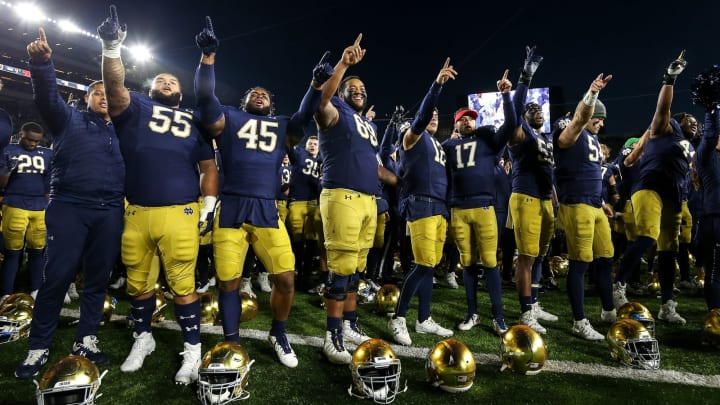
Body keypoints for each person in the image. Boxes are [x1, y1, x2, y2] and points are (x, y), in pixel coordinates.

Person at [193, 16, 328, 368]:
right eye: (254, 93)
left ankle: (278, 332)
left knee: (285, 278)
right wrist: (208, 58)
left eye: (265, 94)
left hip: (267, 208)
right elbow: (205, 100)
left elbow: (303, 115)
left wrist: (315, 84)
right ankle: (232, 342)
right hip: (232, 207)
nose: (260, 94)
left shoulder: (283, 127)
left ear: (271, 104)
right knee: (228, 283)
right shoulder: (228, 119)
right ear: (244, 102)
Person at [97, 6, 219, 385]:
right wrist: (112, 47)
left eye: (172, 81)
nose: (167, 82)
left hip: (180, 210)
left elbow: (209, 167)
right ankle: (143, 337)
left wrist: (210, 203)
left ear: (180, 94)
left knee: (183, 284)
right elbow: (114, 88)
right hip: (136, 211)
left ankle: (193, 349)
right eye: (161, 80)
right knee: (137, 283)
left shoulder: (195, 121)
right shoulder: (135, 107)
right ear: (149, 89)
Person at [15, 27, 125, 380]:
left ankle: (86, 339)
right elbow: (47, 98)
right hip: (70, 205)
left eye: (109, 91)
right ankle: (39, 344)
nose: (105, 96)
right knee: (57, 277)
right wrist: (43, 65)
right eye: (98, 92)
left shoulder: (125, 129)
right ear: (87, 98)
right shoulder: (69, 119)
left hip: (110, 210)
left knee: (97, 280)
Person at [313, 34, 397, 364]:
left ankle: (348, 324)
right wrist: (344, 64)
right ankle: (331, 334)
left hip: (367, 200)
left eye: (363, 89)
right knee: (341, 269)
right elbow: (320, 100)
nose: (359, 92)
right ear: (343, 93)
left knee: (356, 271)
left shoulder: (367, 126)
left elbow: (376, 168)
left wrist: (400, 179)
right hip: (341, 195)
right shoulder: (335, 112)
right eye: (353, 89)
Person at [613, 51, 694, 325]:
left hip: (676, 196)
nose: (694, 123)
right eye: (689, 120)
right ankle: (618, 286)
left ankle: (667, 304)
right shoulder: (666, 128)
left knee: (669, 250)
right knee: (647, 236)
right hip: (650, 188)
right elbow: (662, 110)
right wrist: (669, 80)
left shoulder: (688, 144)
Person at [386, 58, 457, 346]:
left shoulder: (437, 143)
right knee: (422, 263)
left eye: (439, 116)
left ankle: (424, 318)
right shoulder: (411, 138)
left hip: (439, 205)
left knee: (430, 265)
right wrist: (436, 87)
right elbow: (423, 115)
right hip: (421, 203)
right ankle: (399, 317)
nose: (434, 118)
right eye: (432, 115)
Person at [440, 69, 515, 336]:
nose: (469, 122)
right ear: (456, 124)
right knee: (468, 263)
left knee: (491, 262)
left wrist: (506, 97)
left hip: (484, 207)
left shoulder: (487, 141)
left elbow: (509, 126)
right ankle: (472, 312)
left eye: (472, 118)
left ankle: (498, 315)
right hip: (458, 209)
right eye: (464, 119)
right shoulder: (448, 146)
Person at [552, 74, 616, 340]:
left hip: (594, 205)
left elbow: (590, 174)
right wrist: (592, 95)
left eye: (601, 119)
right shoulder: (571, 134)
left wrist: (602, 202)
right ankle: (579, 320)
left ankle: (608, 311)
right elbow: (578, 120)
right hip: (576, 204)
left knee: (606, 257)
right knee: (580, 263)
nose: (600, 123)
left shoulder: (591, 139)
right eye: (596, 118)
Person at [505, 46, 559, 334]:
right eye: (532, 109)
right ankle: (526, 311)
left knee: (540, 254)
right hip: (524, 196)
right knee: (526, 255)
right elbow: (514, 114)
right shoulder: (520, 133)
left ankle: (534, 301)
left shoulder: (544, 137)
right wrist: (525, 76)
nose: (537, 112)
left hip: (543, 198)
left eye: (540, 109)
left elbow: (549, 172)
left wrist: (554, 197)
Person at [0, 122, 52, 302]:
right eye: (29, 139)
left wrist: (48, 204)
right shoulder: (8, 149)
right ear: (20, 134)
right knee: (12, 252)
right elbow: (2, 185)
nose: (33, 144)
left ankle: (36, 290)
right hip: (15, 203)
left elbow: (48, 184)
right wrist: (7, 169)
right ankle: (6, 292)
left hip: (39, 207)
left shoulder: (47, 153)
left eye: (36, 141)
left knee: (38, 251)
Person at [695, 89, 720, 310]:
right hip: (715, 219)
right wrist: (713, 106)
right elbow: (711, 133)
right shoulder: (706, 156)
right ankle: (715, 316)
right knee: (715, 269)